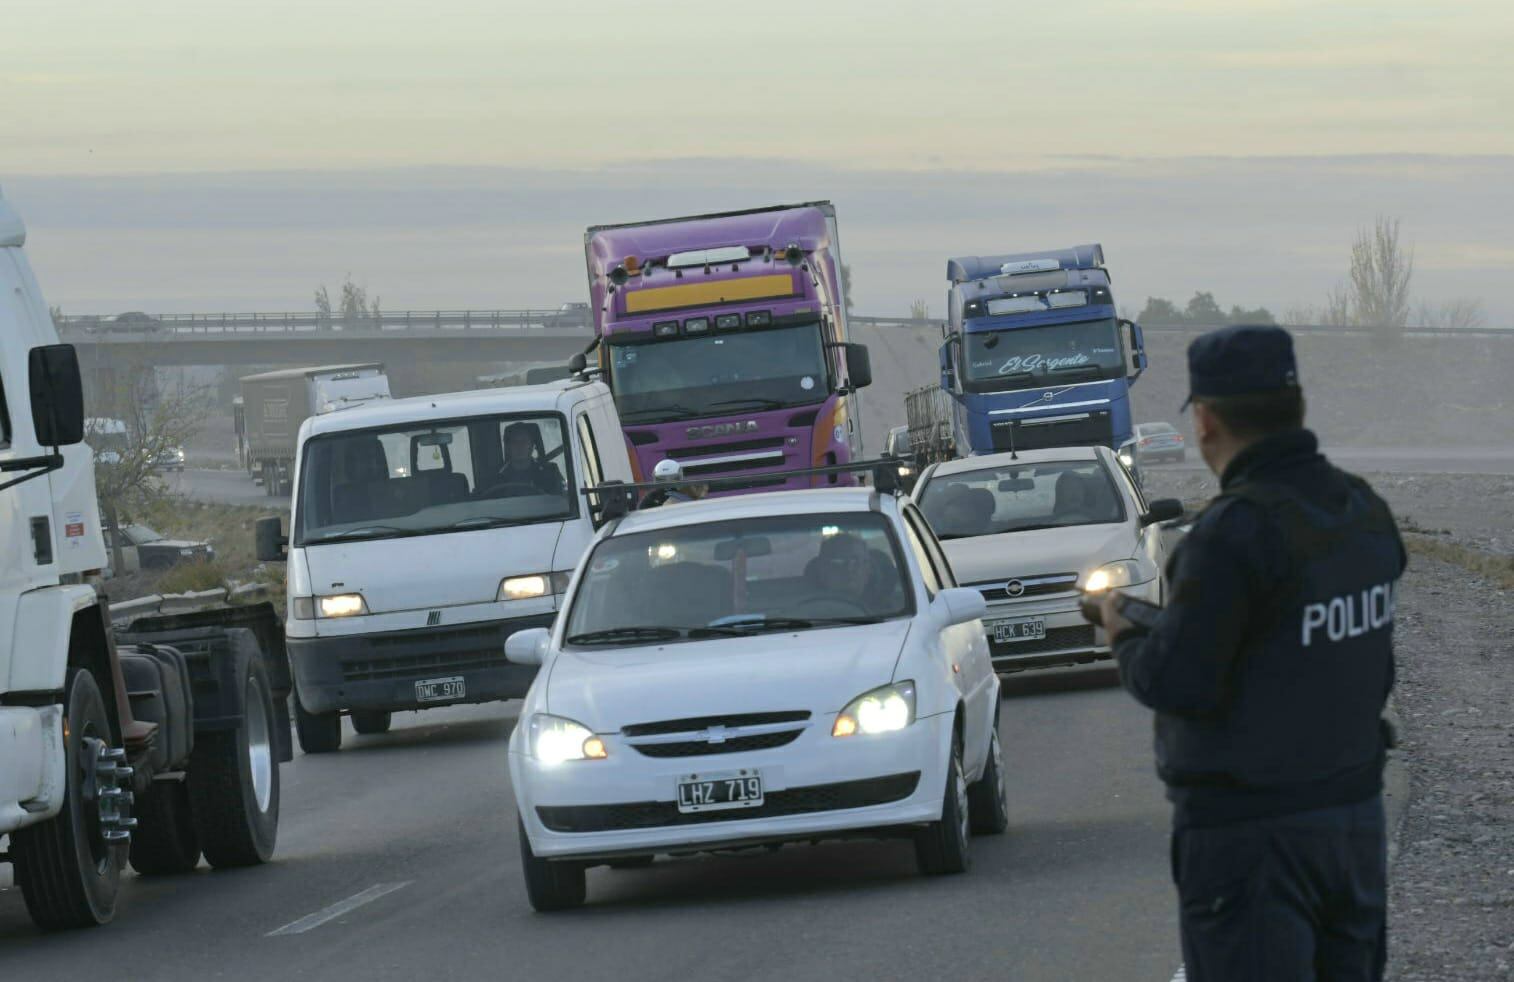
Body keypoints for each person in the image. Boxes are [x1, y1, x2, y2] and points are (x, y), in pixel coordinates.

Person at [1094, 324, 1406, 981]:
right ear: (1294, 406)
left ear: (1205, 421)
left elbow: (1179, 681)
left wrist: (1123, 632)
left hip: (1252, 838)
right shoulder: (1361, 509)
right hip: (1352, 821)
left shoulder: (1229, 536)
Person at [492, 421, 564, 496]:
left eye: (524, 441)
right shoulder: (498, 478)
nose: (519, 446)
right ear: (508, 448)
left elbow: (563, 500)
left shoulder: (550, 472)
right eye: (514, 442)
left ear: (532, 446)